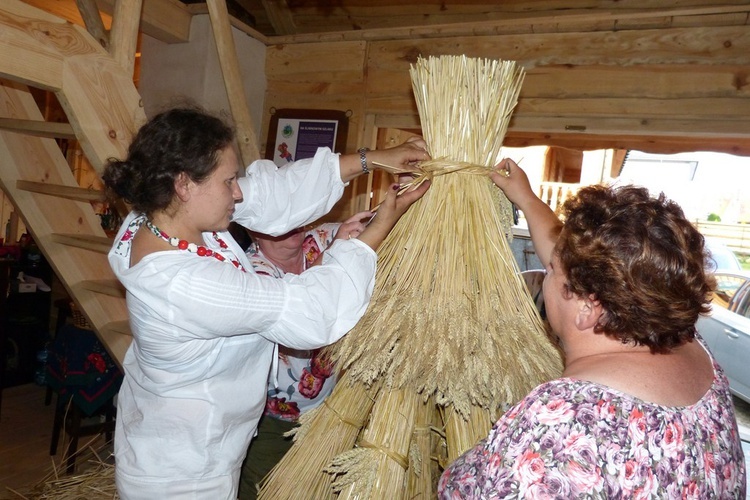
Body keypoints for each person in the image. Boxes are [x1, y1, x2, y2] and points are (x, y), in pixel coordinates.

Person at [102, 106, 430, 499]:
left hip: (189, 448)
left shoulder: (166, 216)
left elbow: (275, 195)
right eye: (228, 181)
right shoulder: (182, 284)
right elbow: (308, 311)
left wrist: (373, 158)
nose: (238, 191)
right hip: (182, 474)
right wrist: (379, 228)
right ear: (184, 184)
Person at [438, 159, 746, 498]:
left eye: (552, 269)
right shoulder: (685, 339)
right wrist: (526, 198)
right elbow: (580, 263)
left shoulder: (561, 423)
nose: (547, 271)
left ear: (587, 307)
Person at [237, 211, 370, 499]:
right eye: (276, 219)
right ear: (253, 231)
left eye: (292, 211)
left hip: (329, 407)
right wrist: (339, 253)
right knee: (260, 489)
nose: (289, 223)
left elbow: (372, 228)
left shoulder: (320, 239)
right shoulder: (249, 270)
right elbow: (300, 306)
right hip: (271, 417)